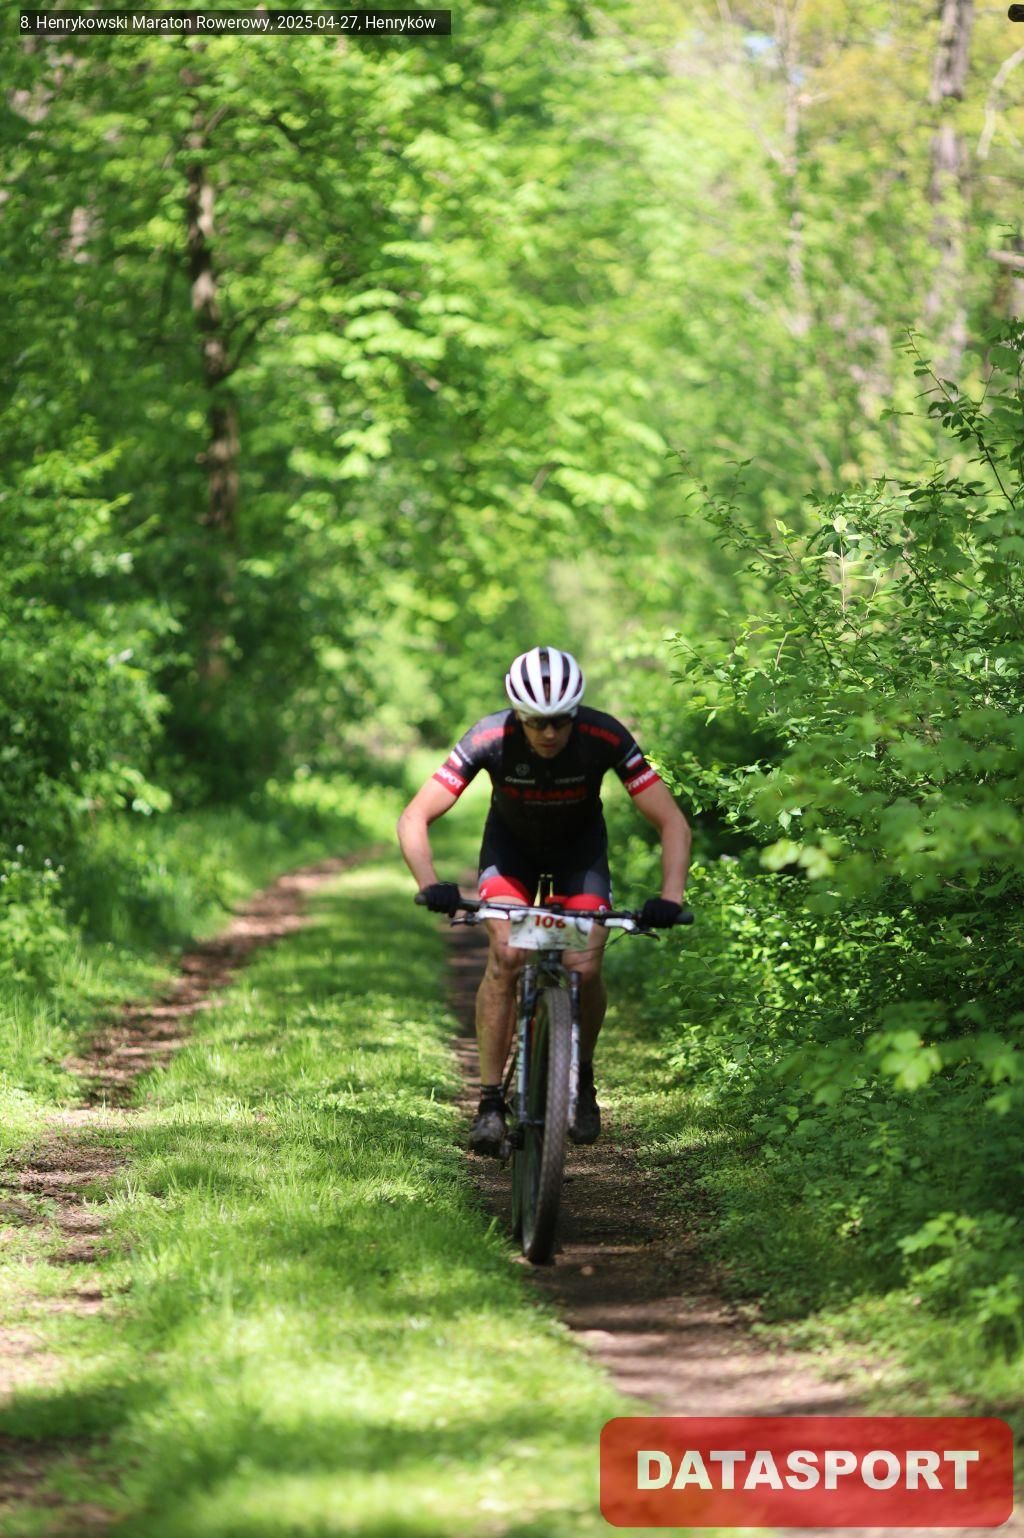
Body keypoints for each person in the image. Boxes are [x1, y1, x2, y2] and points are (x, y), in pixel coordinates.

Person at [396, 645, 691, 1156]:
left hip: (580, 856)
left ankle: (582, 1077)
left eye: (560, 721)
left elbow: (672, 822)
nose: (549, 733)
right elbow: (414, 817)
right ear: (518, 715)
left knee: (586, 966)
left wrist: (670, 897)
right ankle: (490, 1103)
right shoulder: (489, 737)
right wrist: (430, 883)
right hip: (511, 856)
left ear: (576, 714)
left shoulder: (604, 736)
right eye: (536, 722)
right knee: (507, 956)